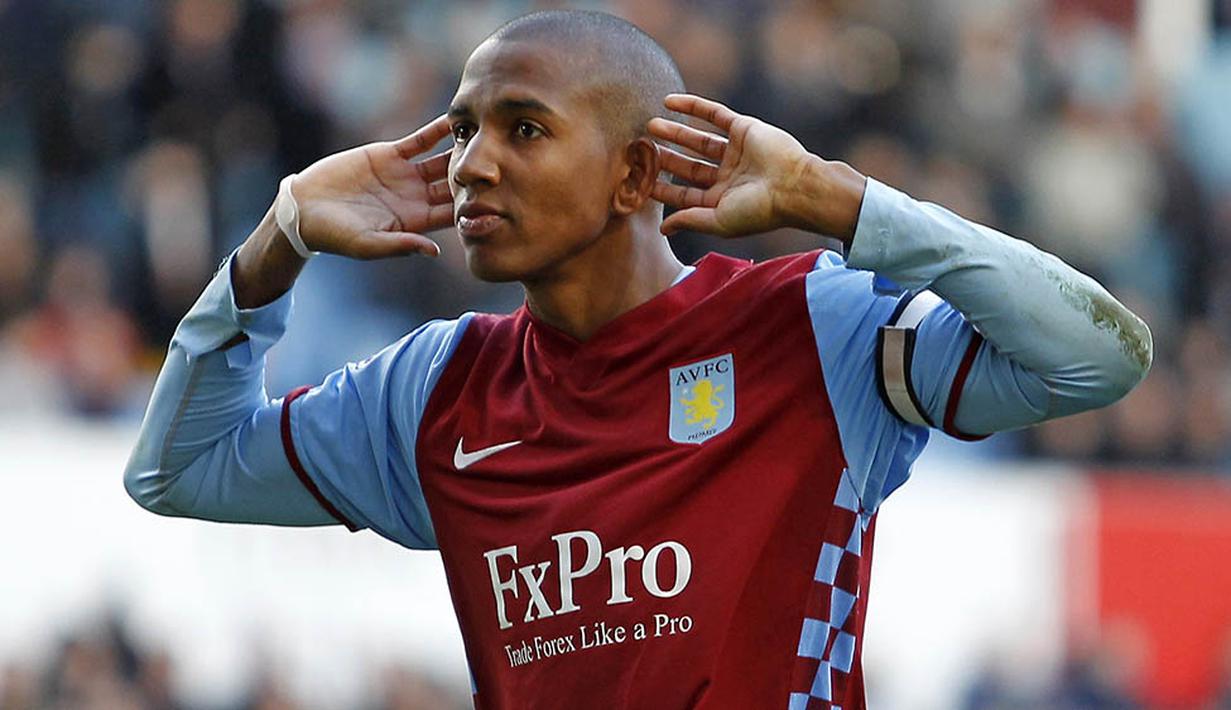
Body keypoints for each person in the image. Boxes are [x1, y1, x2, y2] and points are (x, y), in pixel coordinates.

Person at [124, 10, 1151, 710]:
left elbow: (1095, 360)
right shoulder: (435, 391)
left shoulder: (815, 331)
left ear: (636, 176)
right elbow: (179, 470)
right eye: (465, 128)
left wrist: (843, 203)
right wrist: (275, 244)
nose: (471, 163)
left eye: (524, 129)